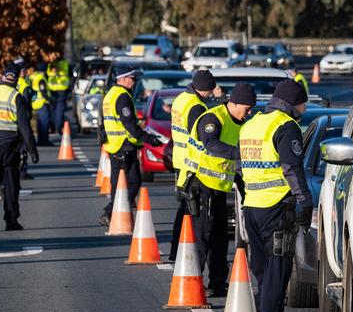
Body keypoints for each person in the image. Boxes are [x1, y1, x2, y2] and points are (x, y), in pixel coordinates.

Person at [239, 79, 313, 312]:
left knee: (262, 270)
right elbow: (291, 167)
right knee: (277, 272)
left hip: (252, 207)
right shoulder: (286, 126)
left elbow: (241, 164)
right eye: (302, 102)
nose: (304, 108)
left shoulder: (252, 124)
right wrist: (304, 200)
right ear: (292, 102)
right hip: (277, 208)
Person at [185, 82, 256, 297]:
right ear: (233, 103)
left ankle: (217, 283)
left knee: (219, 238)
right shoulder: (213, 118)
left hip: (219, 187)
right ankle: (191, 284)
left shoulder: (241, 122)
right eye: (247, 108)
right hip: (201, 185)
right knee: (202, 237)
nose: (249, 112)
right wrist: (240, 154)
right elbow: (211, 145)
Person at [98, 68, 162, 226]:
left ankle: (112, 212)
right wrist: (149, 139)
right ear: (122, 79)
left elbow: (104, 121)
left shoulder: (110, 95)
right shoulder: (123, 97)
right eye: (132, 78)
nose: (134, 82)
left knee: (118, 183)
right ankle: (111, 211)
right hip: (124, 145)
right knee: (134, 181)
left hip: (114, 145)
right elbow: (130, 125)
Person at [169, 71, 221, 261]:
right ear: (206, 88)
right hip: (192, 165)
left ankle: (176, 249)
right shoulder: (196, 107)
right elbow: (199, 139)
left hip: (180, 161)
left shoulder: (181, 99)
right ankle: (183, 251)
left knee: (184, 209)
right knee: (193, 212)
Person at [0, 65, 39, 231]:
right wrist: (33, 152)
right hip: (9, 147)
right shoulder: (15, 96)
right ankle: (11, 221)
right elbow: (24, 128)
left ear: (3, 76)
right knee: (11, 185)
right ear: (17, 79)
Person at [14, 58, 35, 180]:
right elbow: (27, 103)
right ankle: (23, 171)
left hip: (11, 118)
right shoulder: (24, 84)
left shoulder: (10, 82)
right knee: (23, 146)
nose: (27, 71)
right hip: (23, 118)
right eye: (25, 69)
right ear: (21, 71)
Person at [47, 59, 70, 134]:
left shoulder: (63, 63)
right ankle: (55, 127)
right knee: (53, 111)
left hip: (61, 91)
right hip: (52, 91)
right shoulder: (49, 63)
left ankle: (58, 127)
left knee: (58, 111)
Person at [31, 62, 51, 146]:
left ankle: (39, 140)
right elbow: (43, 91)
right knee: (44, 123)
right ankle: (44, 141)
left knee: (38, 123)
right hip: (42, 103)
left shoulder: (33, 76)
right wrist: (48, 99)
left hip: (34, 103)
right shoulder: (41, 78)